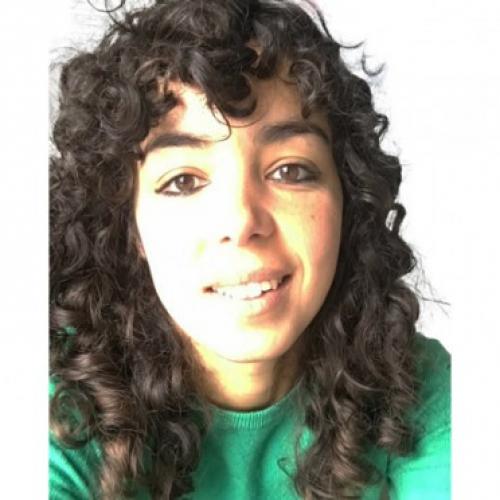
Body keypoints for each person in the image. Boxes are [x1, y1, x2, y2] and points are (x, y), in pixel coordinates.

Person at [49, 0, 450, 499]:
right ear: (130, 227)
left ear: (347, 200)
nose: (241, 222)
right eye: (182, 181)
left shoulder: (416, 384)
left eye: (290, 170)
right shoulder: (58, 408)